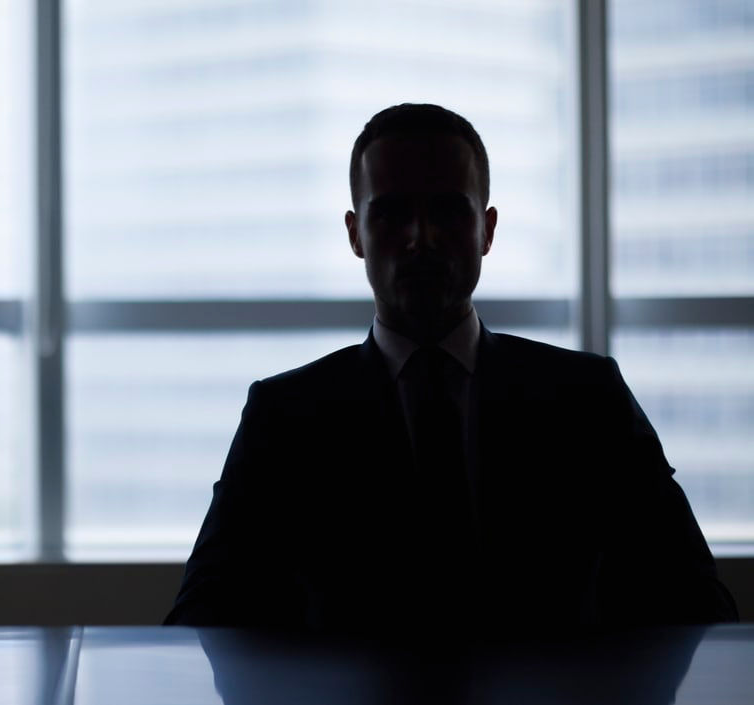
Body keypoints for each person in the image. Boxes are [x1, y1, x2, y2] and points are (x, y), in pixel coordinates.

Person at [165, 103, 737, 633]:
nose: (422, 238)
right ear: (354, 234)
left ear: (487, 230)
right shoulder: (284, 419)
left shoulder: (588, 399)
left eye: (446, 210)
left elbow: (695, 600)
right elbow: (202, 619)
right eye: (391, 213)